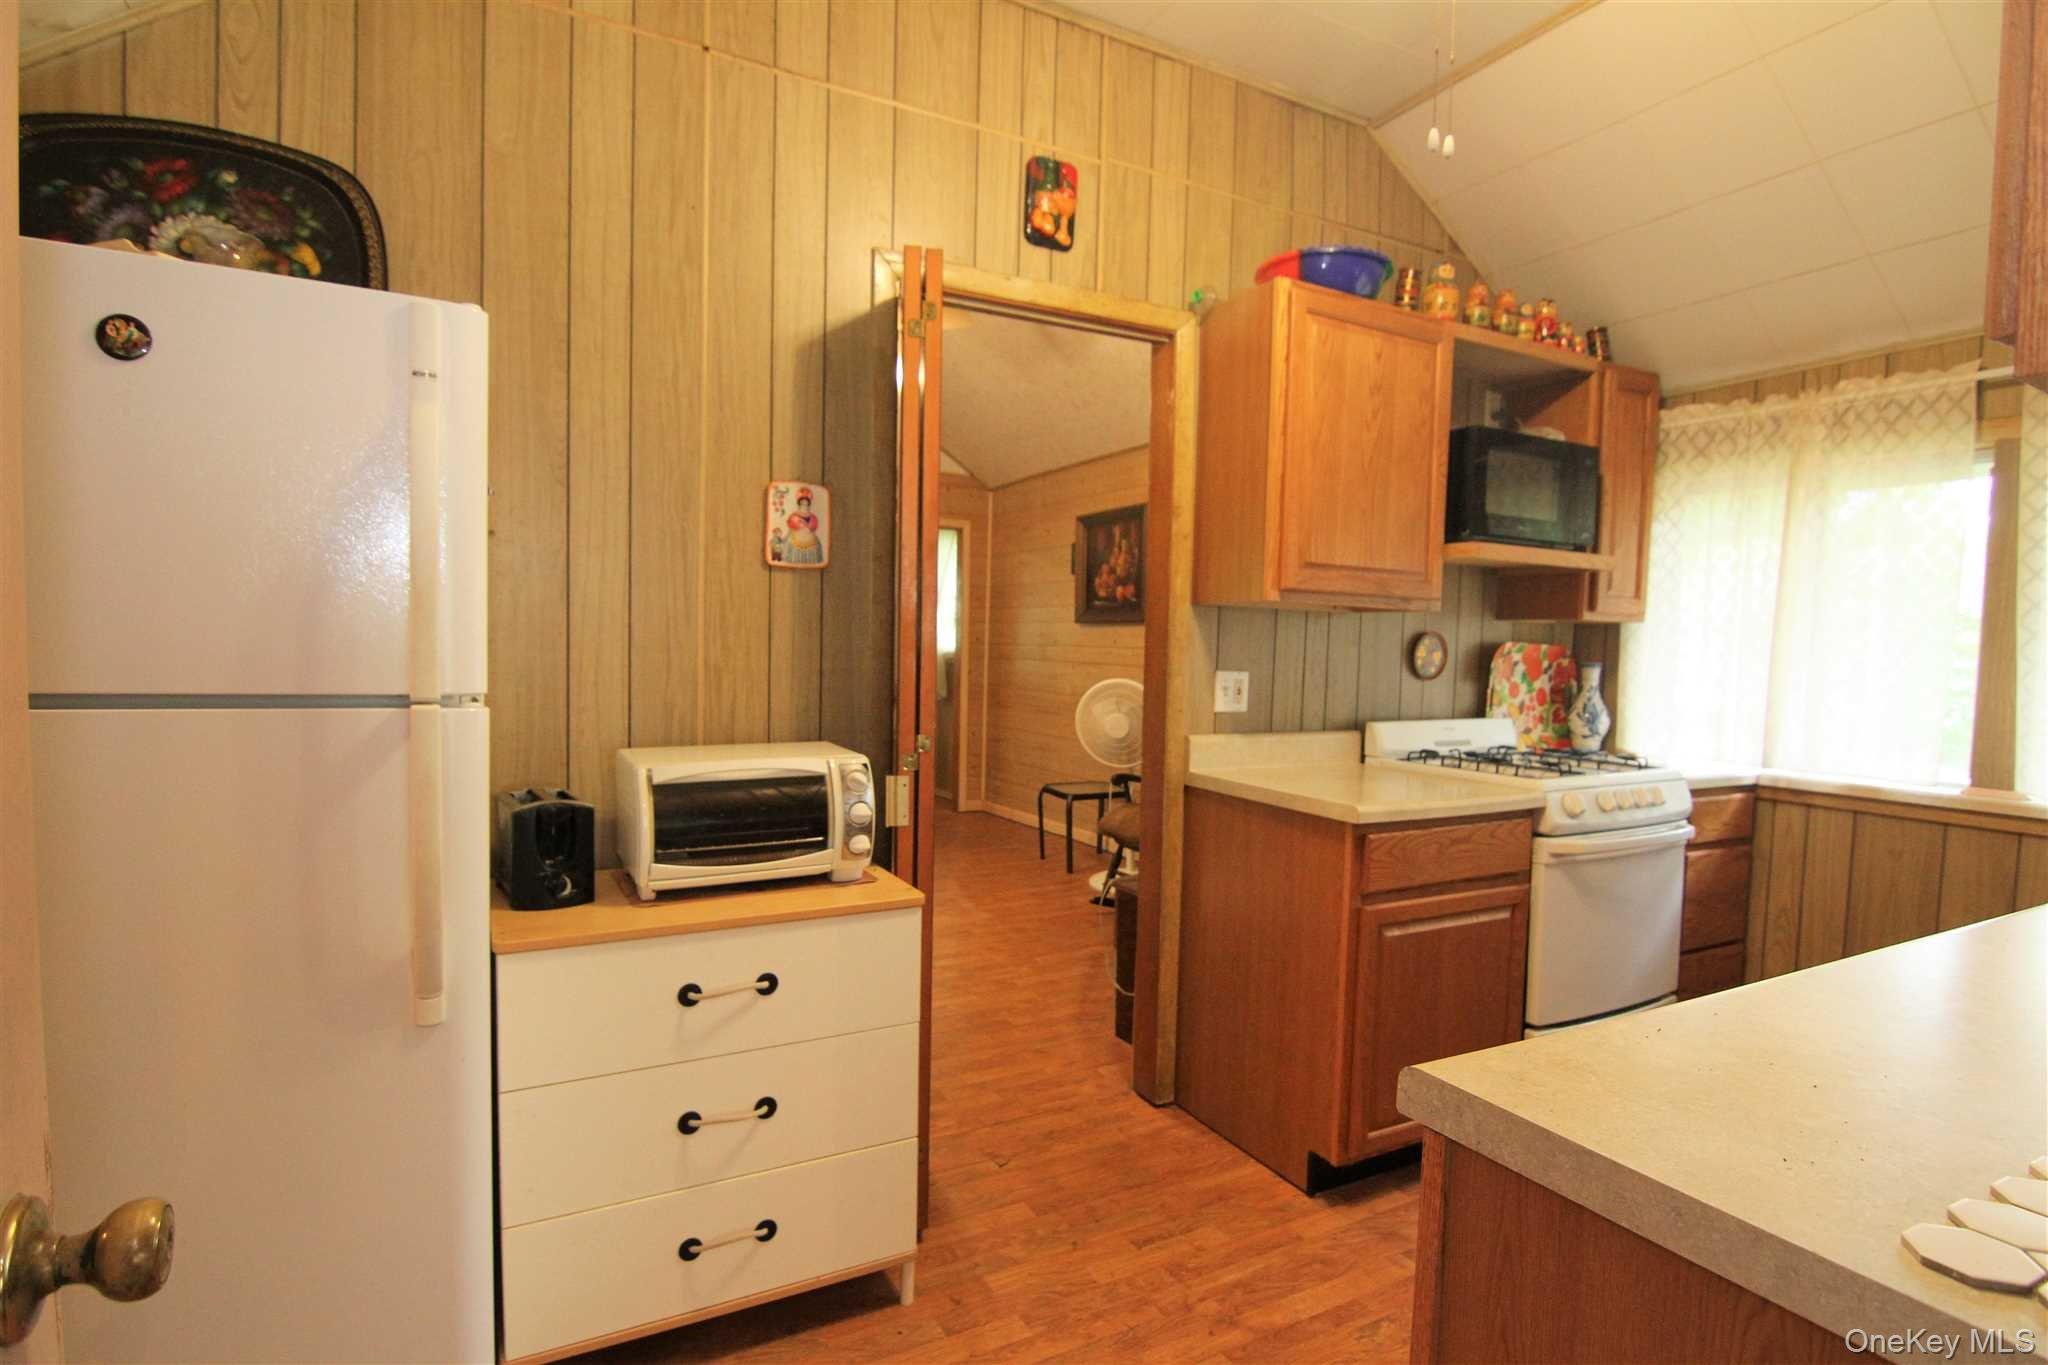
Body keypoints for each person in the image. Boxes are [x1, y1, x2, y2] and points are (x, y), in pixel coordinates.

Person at [785, 487, 823, 565]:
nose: (804, 506)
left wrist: (809, 529)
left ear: (809, 505)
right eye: (802, 504)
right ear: (799, 505)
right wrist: (801, 527)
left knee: (816, 545)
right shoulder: (794, 516)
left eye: (806, 504)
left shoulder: (813, 517)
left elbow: (814, 526)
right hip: (797, 537)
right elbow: (792, 524)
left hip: (810, 537)